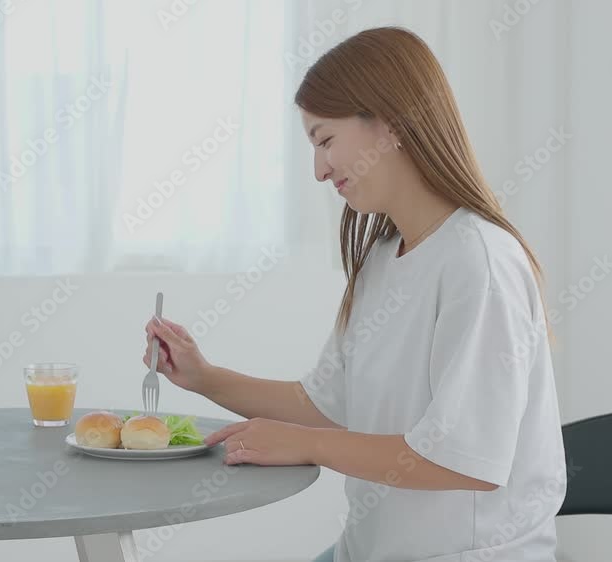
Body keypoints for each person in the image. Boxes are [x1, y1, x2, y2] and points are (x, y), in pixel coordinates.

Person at [144, 27, 566, 562]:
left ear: (389, 124)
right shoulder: (383, 259)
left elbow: (465, 459)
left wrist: (304, 445)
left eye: (324, 141)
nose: (319, 171)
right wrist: (203, 376)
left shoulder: (479, 261)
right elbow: (325, 404)